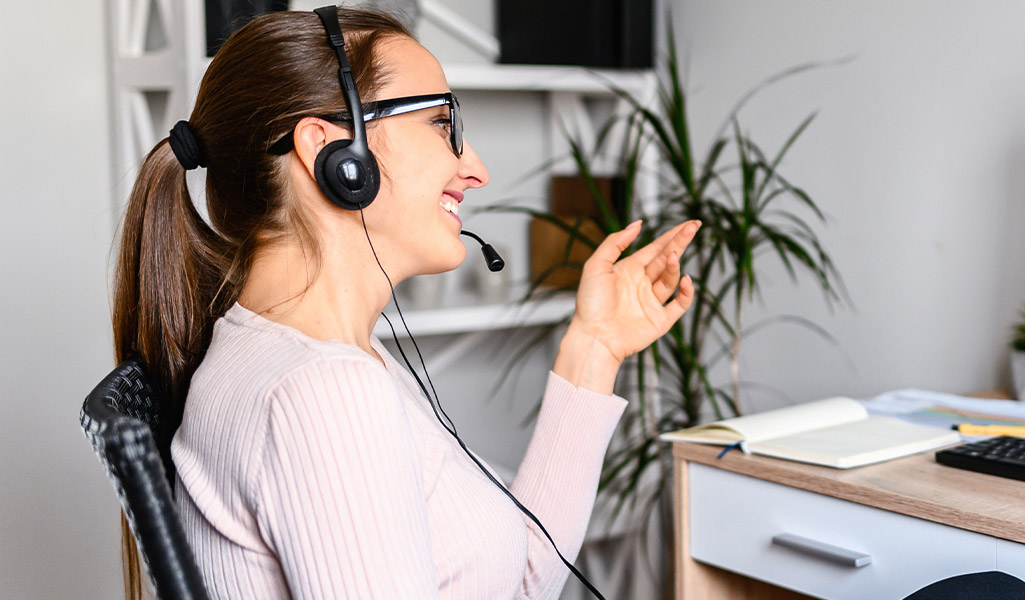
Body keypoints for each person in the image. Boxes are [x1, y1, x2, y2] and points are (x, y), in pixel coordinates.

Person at [109, 9, 698, 597]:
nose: (476, 169)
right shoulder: (323, 393)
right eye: (443, 125)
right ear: (336, 152)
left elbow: (518, 580)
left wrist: (594, 345)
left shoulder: (313, 358)